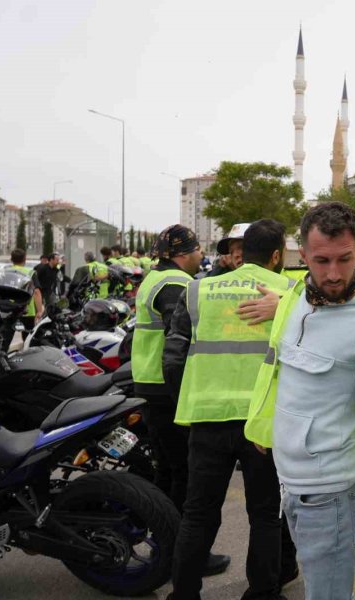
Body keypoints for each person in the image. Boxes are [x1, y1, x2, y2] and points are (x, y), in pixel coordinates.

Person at [243, 203, 355, 600]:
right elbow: (285, 373)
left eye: (345, 260)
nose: (333, 274)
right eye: (321, 261)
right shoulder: (296, 295)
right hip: (290, 483)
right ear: (302, 254)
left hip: (331, 492)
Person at [164, 220, 297, 600]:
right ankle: (263, 593)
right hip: (262, 423)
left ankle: (184, 594)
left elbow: (172, 360)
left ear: (240, 251)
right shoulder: (288, 292)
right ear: (276, 255)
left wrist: (188, 404)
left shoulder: (198, 290)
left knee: (199, 514)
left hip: (206, 418)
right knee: (265, 513)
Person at [130, 225, 230, 576]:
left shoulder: (154, 278)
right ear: (183, 253)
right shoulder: (175, 284)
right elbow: (182, 336)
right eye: (198, 250)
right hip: (167, 388)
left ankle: (167, 548)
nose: (202, 256)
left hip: (151, 384)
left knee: (169, 470)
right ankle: (185, 556)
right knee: (184, 475)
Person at [9, 248, 43, 337]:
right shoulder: (30, 272)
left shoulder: (5, 272)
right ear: (25, 259)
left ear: (11, 259)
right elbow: (36, 292)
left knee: (6, 338)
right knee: (28, 337)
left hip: (7, 309)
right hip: (27, 310)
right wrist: (39, 311)